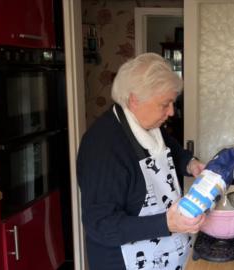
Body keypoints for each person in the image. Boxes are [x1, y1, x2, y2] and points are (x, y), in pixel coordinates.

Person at [77, 53, 206, 270]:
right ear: (134, 100)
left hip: (167, 255)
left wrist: (191, 163)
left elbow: (171, 150)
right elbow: (100, 224)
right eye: (165, 104)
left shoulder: (150, 128)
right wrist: (166, 223)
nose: (172, 112)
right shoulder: (103, 147)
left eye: (172, 103)